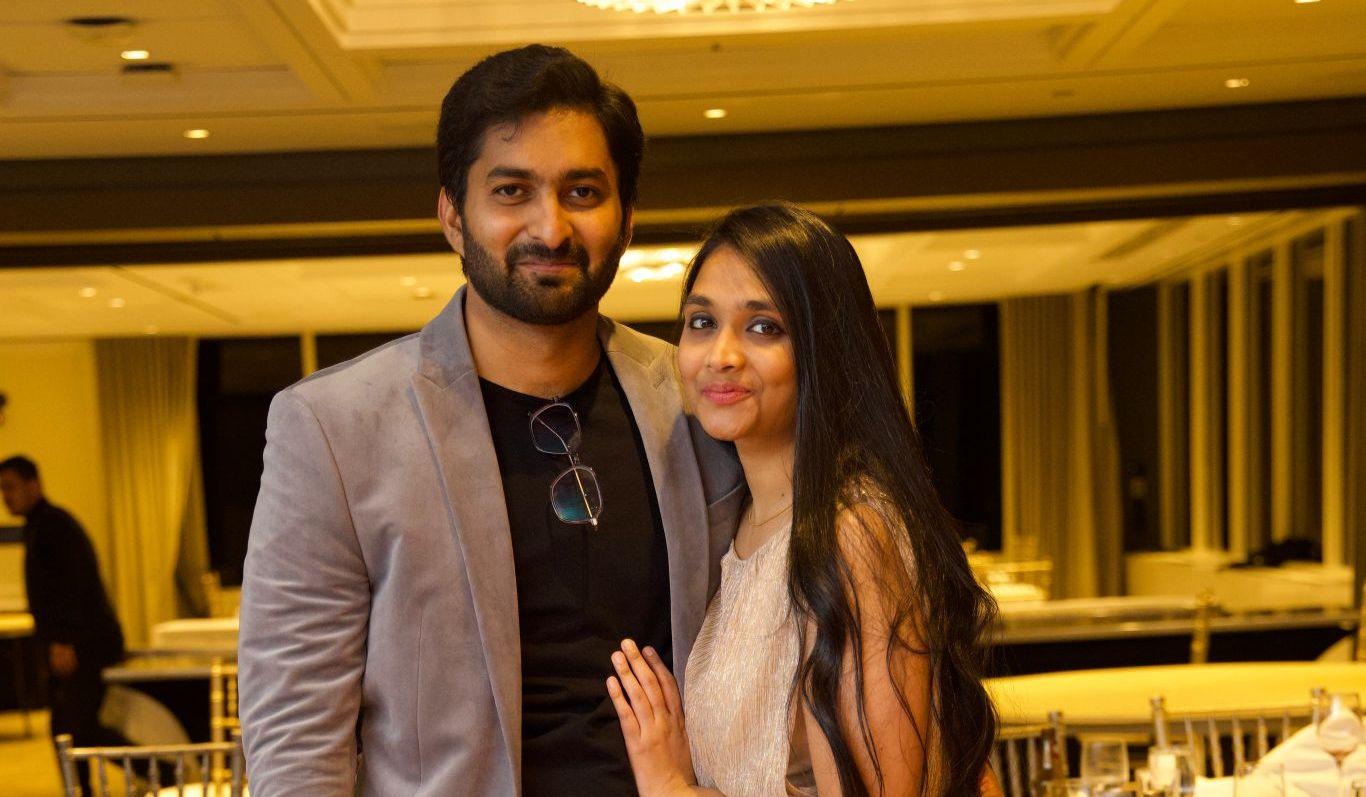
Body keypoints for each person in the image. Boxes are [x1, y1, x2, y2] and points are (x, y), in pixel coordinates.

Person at [237, 45, 744, 796]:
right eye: (512, 191)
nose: (551, 227)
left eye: (582, 191)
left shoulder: (698, 399)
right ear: (453, 214)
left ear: (628, 218)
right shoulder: (334, 428)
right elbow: (295, 731)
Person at [603, 204, 1001, 796]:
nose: (721, 355)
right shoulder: (742, 522)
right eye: (702, 322)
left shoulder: (853, 531)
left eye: (764, 328)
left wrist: (674, 789)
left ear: (822, 349)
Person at [0, 454, 126, 795]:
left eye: (10, 487)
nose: (5, 496)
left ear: (33, 485)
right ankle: (82, 789)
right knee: (69, 728)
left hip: (82, 644)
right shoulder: (43, 525)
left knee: (77, 728)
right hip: (77, 641)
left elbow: (71, 584)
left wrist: (64, 640)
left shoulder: (54, 526)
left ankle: (162, 768)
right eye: (2, 489)